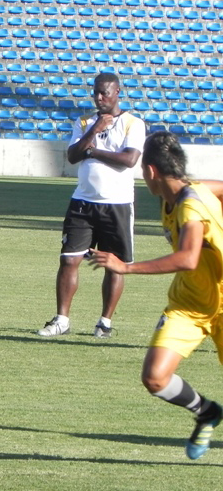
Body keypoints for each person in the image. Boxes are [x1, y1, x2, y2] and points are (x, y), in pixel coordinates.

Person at [89, 132, 223, 460]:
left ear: (150, 171)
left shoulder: (191, 205)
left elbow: (189, 258)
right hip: (189, 303)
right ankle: (207, 412)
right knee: (155, 377)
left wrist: (126, 267)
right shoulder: (179, 195)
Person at [38, 73, 146, 339]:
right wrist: (93, 131)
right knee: (69, 259)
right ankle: (62, 319)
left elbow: (128, 159)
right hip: (83, 202)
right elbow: (73, 156)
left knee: (114, 265)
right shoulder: (85, 122)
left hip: (117, 205)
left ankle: (104, 322)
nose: (99, 98)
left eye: (105, 93)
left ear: (117, 92)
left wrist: (94, 151)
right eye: (96, 93)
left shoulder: (133, 123)